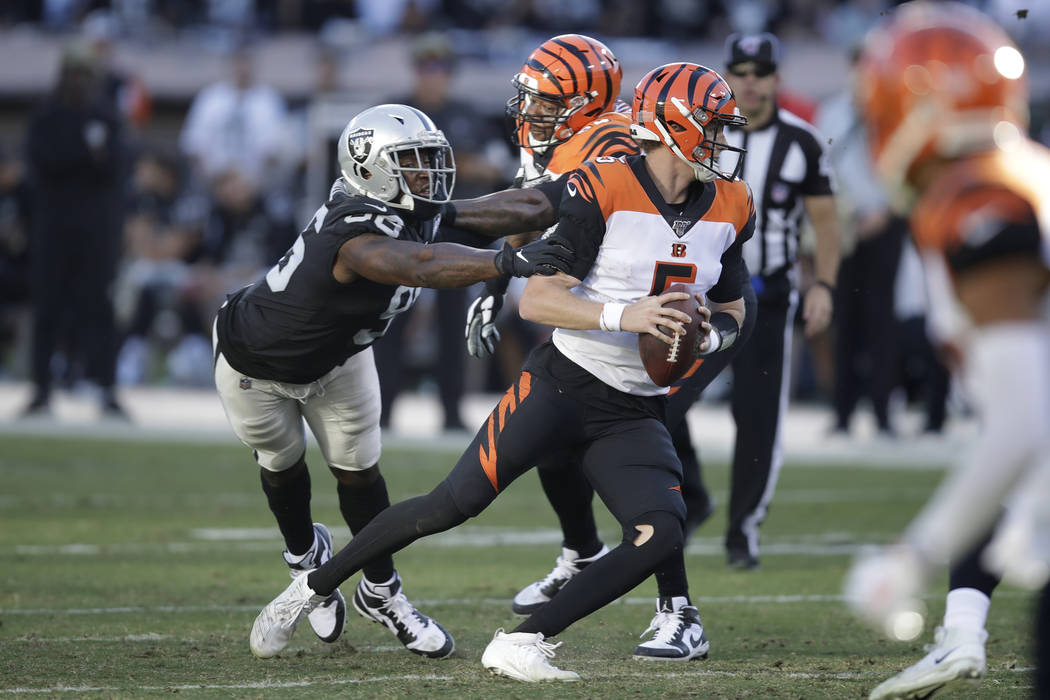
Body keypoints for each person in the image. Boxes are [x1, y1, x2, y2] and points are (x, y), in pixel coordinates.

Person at [248, 62, 754, 682]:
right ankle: (310, 587)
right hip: (564, 384)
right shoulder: (603, 185)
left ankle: (523, 641)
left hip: (633, 405)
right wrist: (631, 315)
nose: (724, 138)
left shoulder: (733, 201)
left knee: (661, 532)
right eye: (713, 125)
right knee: (449, 505)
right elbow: (540, 300)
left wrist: (709, 334)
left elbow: (733, 308)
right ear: (669, 124)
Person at [213, 104, 572, 659]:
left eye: (430, 160)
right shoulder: (355, 229)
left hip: (341, 358)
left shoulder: (409, 203)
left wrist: (579, 191)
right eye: (412, 162)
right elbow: (420, 263)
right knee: (282, 466)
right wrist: (505, 265)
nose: (428, 175)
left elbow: (495, 209)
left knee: (361, 475)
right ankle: (305, 558)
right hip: (254, 363)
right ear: (370, 169)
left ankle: (381, 591)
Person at [458, 33, 758, 660]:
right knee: (560, 441)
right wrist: (495, 275)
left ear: (583, 100)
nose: (530, 113)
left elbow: (540, 212)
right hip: (623, 325)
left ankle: (677, 605)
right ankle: (581, 550)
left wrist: (446, 223)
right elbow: (539, 225)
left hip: (673, 325)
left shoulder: (617, 146)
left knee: (645, 439)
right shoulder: (569, 141)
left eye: (544, 102)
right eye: (530, 100)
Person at [840, 4, 1050, 699]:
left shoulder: (978, 196)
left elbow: (1025, 419)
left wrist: (914, 557)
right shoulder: (1025, 172)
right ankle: (962, 631)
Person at [687, 32, 841, 569]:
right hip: (698, 294)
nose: (750, 82)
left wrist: (823, 285)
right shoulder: (699, 134)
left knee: (756, 417)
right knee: (661, 401)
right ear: (728, 74)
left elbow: (826, 224)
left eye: (760, 72)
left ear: (777, 78)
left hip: (766, 297)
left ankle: (742, 533)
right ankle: (691, 500)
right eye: (741, 71)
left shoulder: (803, 142)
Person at [375, 32, 510, 432]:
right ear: (415, 70)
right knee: (391, 321)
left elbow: (494, 167)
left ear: (450, 73)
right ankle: (381, 412)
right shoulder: (394, 113)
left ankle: (451, 412)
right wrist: (456, 162)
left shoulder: (469, 113)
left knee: (454, 325)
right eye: (425, 66)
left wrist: (457, 164)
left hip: (456, 234)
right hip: (404, 232)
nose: (433, 75)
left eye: (441, 67)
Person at [22, 42, 128, 418]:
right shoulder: (47, 116)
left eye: (86, 73)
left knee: (99, 309)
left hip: (95, 231)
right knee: (47, 307)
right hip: (53, 228)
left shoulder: (106, 116)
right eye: (74, 73)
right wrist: (86, 156)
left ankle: (106, 389)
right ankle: (41, 389)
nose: (80, 80)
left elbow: (115, 166)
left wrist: (84, 159)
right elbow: (43, 163)